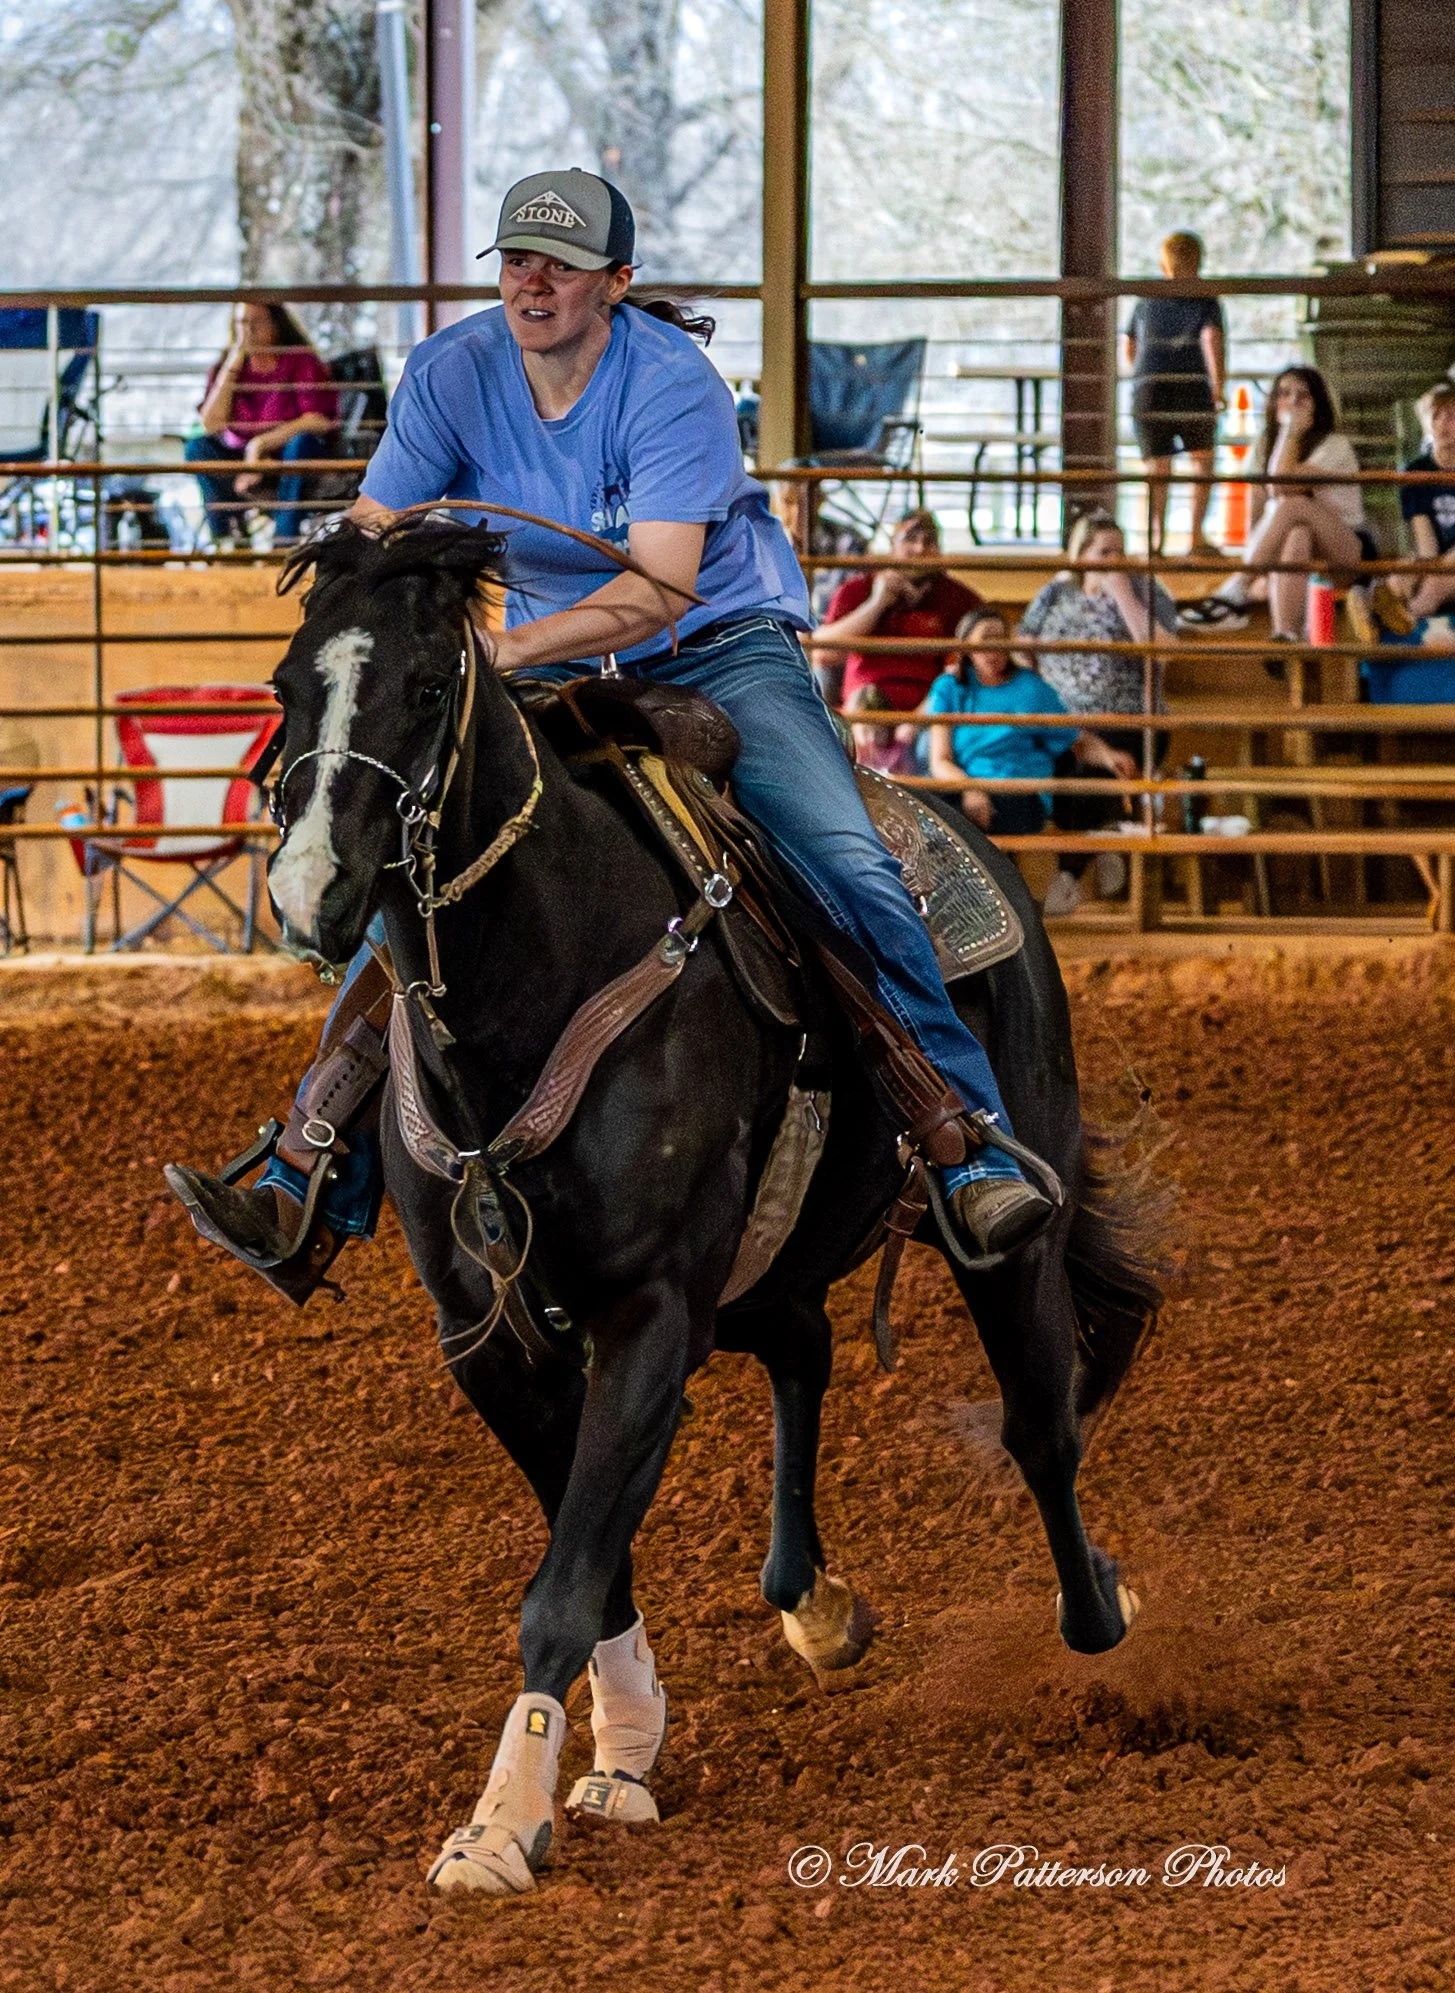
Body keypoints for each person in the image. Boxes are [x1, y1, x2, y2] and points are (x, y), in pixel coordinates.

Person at [168, 168, 1056, 1298]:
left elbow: (660, 589)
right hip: (540, 656)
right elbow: (372, 536)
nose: (531, 282)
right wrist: (363, 636)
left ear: (616, 281)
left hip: (715, 648)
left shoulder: (670, 380)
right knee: (423, 866)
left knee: (842, 861)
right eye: (515, 261)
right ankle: (312, 1169)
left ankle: (962, 1135)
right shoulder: (453, 370)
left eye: (562, 264)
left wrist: (490, 657)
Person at [1018, 509, 1178, 916]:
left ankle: (1068, 877)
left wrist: (1122, 593)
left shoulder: (1145, 589)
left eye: (1120, 552)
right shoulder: (1057, 591)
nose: (1114, 560)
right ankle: (1100, 837)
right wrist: (1034, 680)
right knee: (1061, 770)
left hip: (1127, 719)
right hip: (1062, 721)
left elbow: (1165, 651)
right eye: (1104, 552)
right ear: (1082, 553)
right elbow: (1024, 641)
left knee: (1091, 773)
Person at [924, 608, 1137, 850]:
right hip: (965, 788)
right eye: (985, 639)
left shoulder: (1032, 689)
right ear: (967, 647)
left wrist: (1109, 757)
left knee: (958, 827)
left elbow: (1076, 739)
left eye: (1001, 639)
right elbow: (940, 761)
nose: (994, 648)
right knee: (929, 810)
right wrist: (971, 789)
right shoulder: (949, 688)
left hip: (1021, 794)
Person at [1214, 366, 1375, 644]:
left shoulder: (1334, 445)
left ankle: (1238, 586)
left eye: (1303, 396)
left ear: (1318, 406)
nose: (1293, 402)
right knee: (1298, 533)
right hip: (1293, 554)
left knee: (1295, 505)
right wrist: (1260, 567)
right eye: (1285, 394)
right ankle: (1286, 634)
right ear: (1275, 402)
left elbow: (1282, 485)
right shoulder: (1264, 445)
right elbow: (1256, 518)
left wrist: (1291, 432)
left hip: (1344, 549)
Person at [185, 302, 337, 547]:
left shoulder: (299, 361)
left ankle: (283, 540)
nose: (249, 330)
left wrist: (260, 446)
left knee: (302, 444)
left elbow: (317, 420)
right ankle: (228, 539)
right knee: (197, 448)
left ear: (275, 325)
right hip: (240, 458)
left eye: (257, 322)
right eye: (242, 322)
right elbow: (211, 425)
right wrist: (233, 365)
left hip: (286, 453)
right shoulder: (226, 367)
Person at [811, 509, 981, 714]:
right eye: (910, 539)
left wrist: (919, 717)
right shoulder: (857, 589)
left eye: (929, 542)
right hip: (864, 706)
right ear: (892, 546)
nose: (920, 549)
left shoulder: (958, 597)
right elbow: (822, 653)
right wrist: (877, 604)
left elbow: (979, 656)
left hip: (929, 711)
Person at [1125, 232, 1226, 557]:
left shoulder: (1146, 299)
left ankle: (1155, 542)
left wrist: (1139, 376)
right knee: (1203, 461)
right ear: (1199, 263)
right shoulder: (1205, 299)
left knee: (1157, 467)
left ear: (1162, 264)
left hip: (1149, 388)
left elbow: (1128, 345)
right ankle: (1195, 537)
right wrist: (1218, 386)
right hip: (1192, 386)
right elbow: (1210, 339)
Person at [1350, 379, 1455, 645]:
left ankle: (1402, 612)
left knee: (1437, 577)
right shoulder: (1416, 471)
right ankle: (1379, 606)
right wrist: (1412, 573)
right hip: (1439, 563)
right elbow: (1427, 547)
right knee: (1407, 570)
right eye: (1437, 415)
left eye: (1453, 415)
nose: (1444, 423)